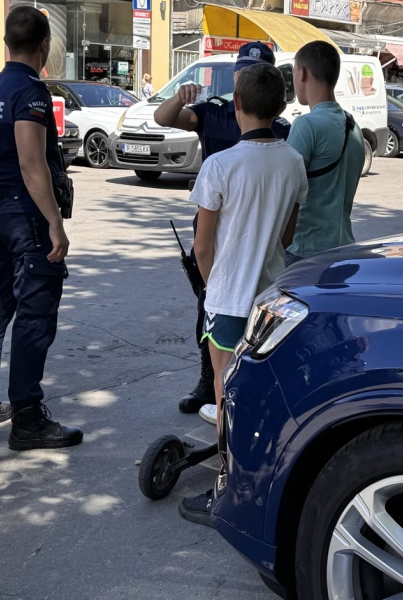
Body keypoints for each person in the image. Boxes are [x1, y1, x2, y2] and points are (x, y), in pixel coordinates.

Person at [178, 62, 308, 526]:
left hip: (229, 300)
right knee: (266, 389)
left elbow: (201, 244)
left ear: (236, 106)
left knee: (225, 390)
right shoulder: (293, 161)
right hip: (272, 299)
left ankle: (230, 486)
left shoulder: (219, 165)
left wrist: (214, 286)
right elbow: (287, 235)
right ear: (280, 108)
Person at [0, 5, 83, 451]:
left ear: (6, 44)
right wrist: (55, 224)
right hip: (25, 217)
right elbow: (33, 164)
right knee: (34, 316)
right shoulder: (31, 94)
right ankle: (28, 420)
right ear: (44, 46)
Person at [154, 42, 290, 425]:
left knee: (239, 332)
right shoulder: (214, 114)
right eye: (243, 70)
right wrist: (179, 97)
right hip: (219, 244)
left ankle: (228, 420)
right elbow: (166, 119)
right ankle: (207, 383)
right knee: (210, 318)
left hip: (241, 251)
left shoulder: (281, 131)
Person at [284, 41, 364, 267]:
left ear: (302, 72)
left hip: (304, 251)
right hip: (344, 248)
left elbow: (286, 193)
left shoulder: (306, 125)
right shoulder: (353, 126)